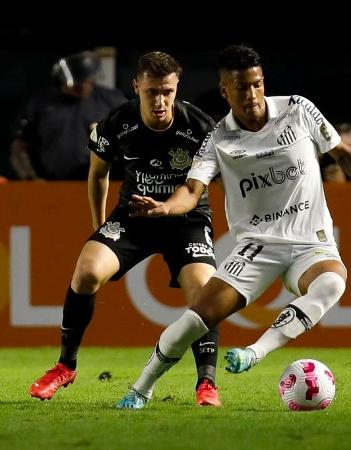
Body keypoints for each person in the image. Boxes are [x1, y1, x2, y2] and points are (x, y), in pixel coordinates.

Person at [115, 44, 351, 408]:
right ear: (224, 90)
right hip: (257, 246)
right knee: (196, 321)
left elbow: (340, 153)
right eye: (241, 88)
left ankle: (254, 353)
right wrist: (167, 208)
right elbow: (192, 188)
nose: (252, 96)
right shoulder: (218, 139)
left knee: (331, 283)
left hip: (310, 242)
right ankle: (141, 388)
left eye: (257, 84)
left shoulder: (298, 109)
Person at [29, 51, 221, 407]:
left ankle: (206, 383)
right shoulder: (118, 121)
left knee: (204, 289)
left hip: (186, 219)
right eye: (151, 92)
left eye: (167, 91)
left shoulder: (200, 127)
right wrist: (99, 228)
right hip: (133, 217)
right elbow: (98, 174)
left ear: (176, 86)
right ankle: (64, 366)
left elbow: (199, 189)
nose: (160, 100)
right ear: (137, 87)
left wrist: (168, 207)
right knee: (87, 270)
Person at [10, 50, 127, 180]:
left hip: (102, 185)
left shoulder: (112, 101)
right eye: (77, 82)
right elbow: (19, 146)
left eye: (86, 80)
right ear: (61, 78)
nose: (82, 85)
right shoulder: (39, 105)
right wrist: (30, 178)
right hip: (52, 186)